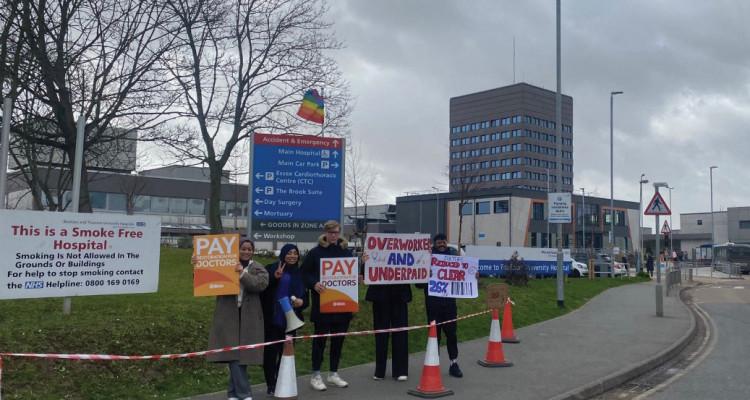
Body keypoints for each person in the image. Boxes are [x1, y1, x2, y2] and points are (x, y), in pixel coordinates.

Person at [196, 238, 268, 400]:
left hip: (249, 317)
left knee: (241, 356)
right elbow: (205, 278)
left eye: (250, 249)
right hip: (228, 316)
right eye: (243, 248)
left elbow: (260, 285)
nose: (247, 252)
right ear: (237, 250)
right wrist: (198, 264)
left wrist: (242, 274)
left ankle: (233, 393)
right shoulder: (224, 264)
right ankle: (244, 393)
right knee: (234, 354)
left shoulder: (257, 268)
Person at [301, 220, 354, 391]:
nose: (333, 236)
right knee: (320, 341)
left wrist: (356, 278)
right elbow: (304, 273)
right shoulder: (315, 253)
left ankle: (333, 373)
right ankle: (316, 375)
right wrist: (314, 283)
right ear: (325, 233)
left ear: (340, 233)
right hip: (323, 305)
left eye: (336, 232)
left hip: (343, 306)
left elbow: (351, 275)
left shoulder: (346, 252)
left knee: (338, 341)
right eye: (331, 233)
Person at [260, 244, 308, 397]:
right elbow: (263, 289)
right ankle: (270, 384)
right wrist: (275, 277)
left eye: (295, 253)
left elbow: (306, 298)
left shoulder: (300, 274)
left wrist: (301, 303)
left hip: (291, 320)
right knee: (270, 352)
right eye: (289, 253)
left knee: (286, 352)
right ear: (283, 255)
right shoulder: (271, 268)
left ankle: (282, 381)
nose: (292, 256)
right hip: (273, 319)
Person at [415, 233, 464, 378]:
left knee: (451, 334)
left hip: (449, 304)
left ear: (447, 243)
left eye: (443, 242)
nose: (441, 245)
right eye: (438, 243)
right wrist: (426, 275)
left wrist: (473, 276)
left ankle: (453, 363)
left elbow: (463, 277)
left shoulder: (454, 258)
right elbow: (418, 284)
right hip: (433, 304)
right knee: (434, 335)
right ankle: (433, 363)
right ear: (434, 244)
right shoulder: (426, 259)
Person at [362, 252, 412, 381]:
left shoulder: (405, 250)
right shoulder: (374, 252)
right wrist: (365, 262)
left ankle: (400, 370)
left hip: (400, 297)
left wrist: (423, 256)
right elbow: (366, 275)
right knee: (381, 334)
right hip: (380, 297)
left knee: (400, 334)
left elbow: (415, 270)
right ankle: (380, 370)